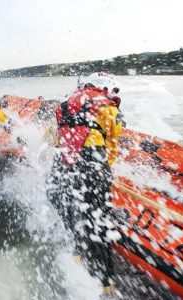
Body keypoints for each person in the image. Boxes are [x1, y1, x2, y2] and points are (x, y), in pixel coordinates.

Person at [47, 72, 123, 293]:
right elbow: (113, 144)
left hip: (64, 163)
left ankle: (77, 252)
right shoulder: (107, 106)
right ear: (105, 87)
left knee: (64, 202)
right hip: (92, 162)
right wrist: (106, 171)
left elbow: (58, 139)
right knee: (97, 220)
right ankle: (105, 281)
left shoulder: (63, 105)